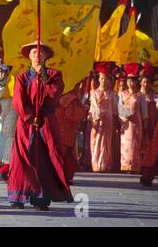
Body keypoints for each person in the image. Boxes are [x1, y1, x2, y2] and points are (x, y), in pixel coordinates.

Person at [7, 40, 73, 211]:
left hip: (47, 121)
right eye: (34, 53)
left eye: (40, 52)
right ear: (29, 56)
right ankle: (19, 196)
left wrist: (42, 76)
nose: (37, 56)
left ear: (46, 56)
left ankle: (42, 198)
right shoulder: (22, 77)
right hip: (26, 123)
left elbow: (54, 93)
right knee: (22, 157)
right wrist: (29, 117)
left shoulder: (54, 75)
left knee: (46, 157)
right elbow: (18, 101)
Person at [55, 81, 87, 184]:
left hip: (58, 129)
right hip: (67, 131)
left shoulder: (60, 96)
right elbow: (71, 115)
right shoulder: (71, 98)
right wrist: (84, 111)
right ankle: (63, 176)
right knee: (66, 155)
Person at [89, 62, 118, 172]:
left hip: (108, 120)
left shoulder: (113, 94)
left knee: (106, 141)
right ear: (98, 79)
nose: (103, 81)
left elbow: (115, 109)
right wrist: (95, 118)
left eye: (106, 79)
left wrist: (118, 120)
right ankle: (96, 164)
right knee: (95, 140)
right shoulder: (93, 93)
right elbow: (93, 107)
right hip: (96, 119)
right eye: (101, 78)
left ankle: (105, 164)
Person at [119, 62, 148, 173]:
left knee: (135, 144)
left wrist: (145, 124)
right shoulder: (122, 94)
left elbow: (144, 111)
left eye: (133, 81)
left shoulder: (140, 96)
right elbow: (120, 107)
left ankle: (135, 166)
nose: (131, 83)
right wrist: (124, 117)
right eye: (129, 81)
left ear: (137, 82)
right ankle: (126, 165)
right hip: (125, 123)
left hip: (137, 124)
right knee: (125, 144)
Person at [139, 63, 157, 185]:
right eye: (144, 82)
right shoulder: (135, 95)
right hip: (136, 124)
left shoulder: (154, 95)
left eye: (148, 82)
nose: (146, 85)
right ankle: (145, 173)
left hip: (152, 123)